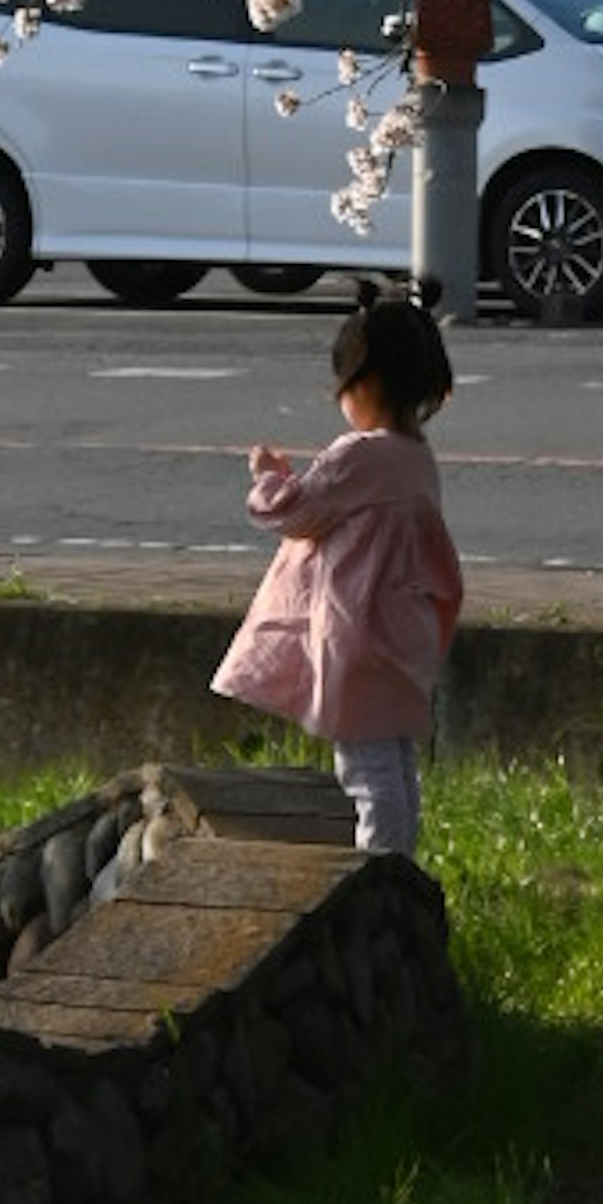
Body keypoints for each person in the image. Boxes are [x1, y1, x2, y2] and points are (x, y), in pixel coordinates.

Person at [213, 285, 464, 857]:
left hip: (359, 637)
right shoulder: (414, 456)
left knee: (365, 770)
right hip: (402, 633)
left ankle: (379, 874)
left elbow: (293, 512)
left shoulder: (359, 455)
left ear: (366, 384)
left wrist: (268, 475)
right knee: (393, 759)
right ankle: (398, 863)